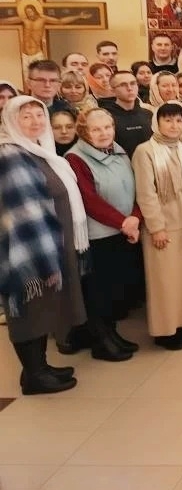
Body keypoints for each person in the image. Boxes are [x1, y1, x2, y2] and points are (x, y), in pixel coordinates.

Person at [0, 96, 89, 394]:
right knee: (29, 309)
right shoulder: (9, 155)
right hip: (26, 247)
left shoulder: (38, 150)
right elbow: (19, 212)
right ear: (11, 121)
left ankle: (37, 368)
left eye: (39, 115)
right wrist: (40, 255)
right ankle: (35, 375)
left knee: (43, 307)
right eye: (26, 116)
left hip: (48, 242)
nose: (35, 121)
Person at [66, 109, 143, 362]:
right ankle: (101, 341)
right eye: (96, 129)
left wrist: (135, 217)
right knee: (99, 292)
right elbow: (89, 199)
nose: (104, 133)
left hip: (124, 230)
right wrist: (123, 222)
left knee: (115, 289)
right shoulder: (75, 158)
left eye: (107, 127)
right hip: (99, 236)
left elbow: (136, 188)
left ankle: (112, 334)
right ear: (84, 132)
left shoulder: (118, 152)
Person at [132, 103, 182, 350]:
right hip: (162, 227)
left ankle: (179, 324)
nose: (174, 126)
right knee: (163, 282)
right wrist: (157, 228)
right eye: (168, 120)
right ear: (157, 122)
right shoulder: (145, 151)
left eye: (178, 120)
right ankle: (164, 332)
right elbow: (146, 193)